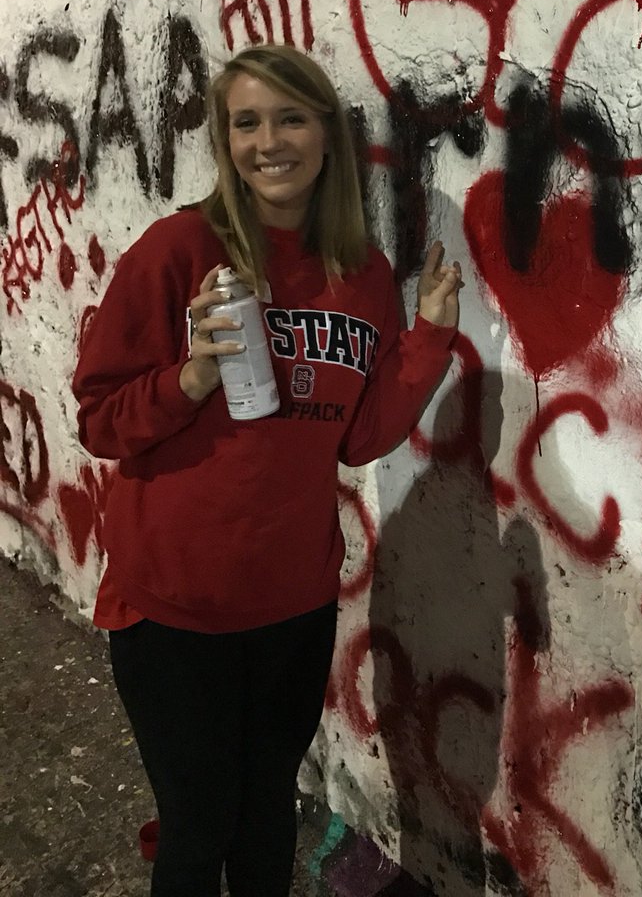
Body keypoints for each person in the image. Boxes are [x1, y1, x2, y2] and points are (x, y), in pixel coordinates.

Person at [72, 44, 462, 897]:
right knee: (198, 823)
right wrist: (190, 379)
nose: (269, 141)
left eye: (291, 118)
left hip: (293, 603)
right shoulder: (178, 252)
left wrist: (429, 333)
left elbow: (358, 440)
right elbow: (100, 417)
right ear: (224, 140)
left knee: (265, 820)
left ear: (327, 136)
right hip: (172, 610)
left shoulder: (358, 276)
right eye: (246, 122)